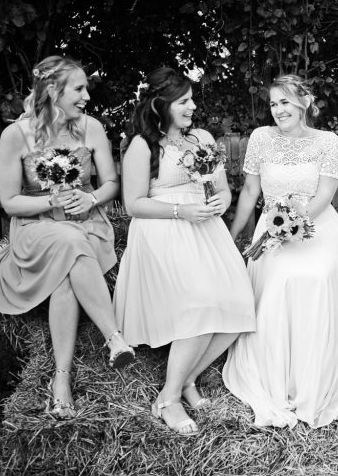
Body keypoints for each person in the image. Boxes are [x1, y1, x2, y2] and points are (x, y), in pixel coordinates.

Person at [0, 55, 135, 420]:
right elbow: (9, 202)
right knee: (68, 243)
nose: (86, 97)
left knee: (66, 269)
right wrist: (51, 201)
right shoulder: (15, 135)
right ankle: (114, 337)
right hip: (36, 227)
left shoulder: (91, 128)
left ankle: (60, 381)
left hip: (87, 222)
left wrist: (91, 198)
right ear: (52, 90)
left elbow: (111, 182)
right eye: (79, 89)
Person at [113, 68, 255, 435]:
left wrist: (221, 202)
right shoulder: (142, 145)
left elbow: (222, 189)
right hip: (162, 231)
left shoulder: (202, 138)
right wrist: (181, 211)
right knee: (200, 302)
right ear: (160, 105)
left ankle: (188, 378)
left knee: (240, 304)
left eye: (192, 99)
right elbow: (134, 204)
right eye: (184, 101)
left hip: (205, 230)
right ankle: (169, 399)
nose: (192, 106)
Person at [223, 74, 338, 428]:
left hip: (318, 227)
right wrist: (232, 236)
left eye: (285, 101)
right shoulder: (261, 138)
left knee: (315, 276)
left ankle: (312, 377)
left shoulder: (327, 142)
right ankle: (277, 375)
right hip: (270, 228)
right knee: (281, 278)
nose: (278, 109)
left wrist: (292, 225)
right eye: (273, 103)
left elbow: (325, 196)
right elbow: (251, 192)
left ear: (304, 102)